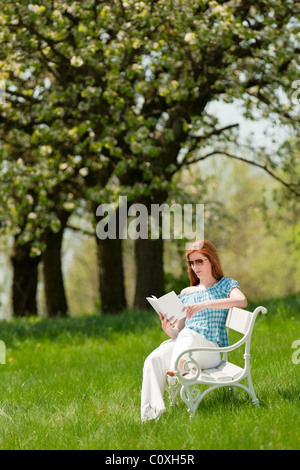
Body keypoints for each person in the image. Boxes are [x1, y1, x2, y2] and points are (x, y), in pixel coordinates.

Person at [141, 240, 247, 422]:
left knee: (188, 335)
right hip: (185, 347)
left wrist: (204, 304)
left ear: (211, 260)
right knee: (154, 359)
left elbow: (242, 301)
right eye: (192, 262)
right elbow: (180, 331)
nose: (195, 266)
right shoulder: (187, 292)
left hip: (210, 350)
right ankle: (152, 417)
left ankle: (177, 366)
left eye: (200, 261)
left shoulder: (225, 285)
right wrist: (168, 330)